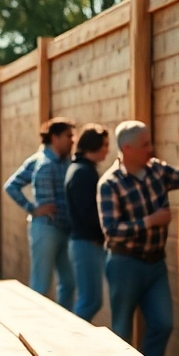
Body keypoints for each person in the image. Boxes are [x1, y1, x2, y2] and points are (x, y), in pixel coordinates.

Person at [97, 104, 179, 356]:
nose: (151, 149)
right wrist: (150, 221)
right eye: (145, 144)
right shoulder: (109, 184)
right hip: (124, 264)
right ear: (127, 149)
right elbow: (111, 231)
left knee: (163, 325)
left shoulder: (157, 170)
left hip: (155, 264)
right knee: (121, 331)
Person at [4, 118, 75, 307]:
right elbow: (11, 186)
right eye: (68, 136)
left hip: (66, 229)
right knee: (41, 284)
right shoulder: (39, 162)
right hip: (46, 229)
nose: (72, 140)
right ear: (55, 137)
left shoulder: (67, 161)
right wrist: (32, 209)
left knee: (69, 283)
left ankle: (63, 326)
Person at [65, 124, 110, 321]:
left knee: (90, 299)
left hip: (85, 242)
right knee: (89, 300)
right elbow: (88, 212)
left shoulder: (81, 168)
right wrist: (104, 233)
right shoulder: (83, 172)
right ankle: (71, 344)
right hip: (86, 243)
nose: (108, 150)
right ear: (94, 146)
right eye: (105, 145)